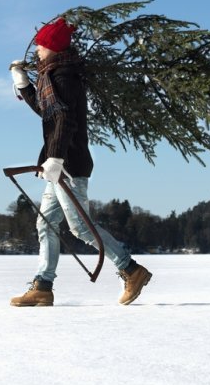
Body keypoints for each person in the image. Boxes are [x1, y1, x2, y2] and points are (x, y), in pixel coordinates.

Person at [8, 17, 152, 307]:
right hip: (57, 166)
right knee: (46, 223)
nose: (36, 50)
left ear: (53, 48)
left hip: (68, 165)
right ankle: (42, 286)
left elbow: (65, 119)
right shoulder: (51, 76)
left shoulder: (65, 77)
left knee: (80, 228)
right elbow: (47, 111)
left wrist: (56, 158)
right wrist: (24, 84)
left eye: (41, 45)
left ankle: (130, 269)